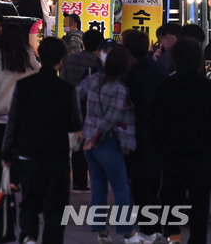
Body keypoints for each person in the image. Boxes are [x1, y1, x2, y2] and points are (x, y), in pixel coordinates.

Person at [1, 37, 83, 244]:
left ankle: (28, 236)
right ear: (61, 60)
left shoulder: (24, 86)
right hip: (58, 157)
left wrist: (7, 152)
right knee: (56, 207)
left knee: (29, 202)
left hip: (28, 154)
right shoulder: (67, 90)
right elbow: (75, 123)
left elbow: (13, 122)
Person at [78, 47, 140, 244]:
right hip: (107, 142)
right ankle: (127, 232)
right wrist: (95, 138)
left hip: (89, 142)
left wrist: (84, 132)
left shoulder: (92, 80)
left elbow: (74, 96)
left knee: (98, 186)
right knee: (121, 188)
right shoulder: (119, 89)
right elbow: (111, 118)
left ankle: (101, 231)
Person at [152, 38, 211, 244]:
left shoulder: (165, 86)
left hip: (172, 153)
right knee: (200, 203)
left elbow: (157, 123)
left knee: (169, 200)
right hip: (202, 155)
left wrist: (160, 148)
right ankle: (198, 239)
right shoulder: (207, 87)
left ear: (174, 59)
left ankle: (172, 237)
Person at [121, 30, 165, 243]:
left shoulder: (131, 74)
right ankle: (155, 226)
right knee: (153, 181)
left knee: (140, 184)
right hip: (159, 132)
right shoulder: (158, 69)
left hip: (137, 133)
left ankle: (149, 230)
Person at [0, 24, 40, 190]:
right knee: (19, 147)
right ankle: (16, 179)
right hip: (22, 110)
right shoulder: (26, 55)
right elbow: (37, 70)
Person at [59, 29, 104, 193]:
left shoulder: (71, 59)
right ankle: (96, 180)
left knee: (77, 146)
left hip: (74, 106)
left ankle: (79, 182)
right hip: (95, 108)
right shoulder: (99, 62)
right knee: (94, 144)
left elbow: (63, 81)